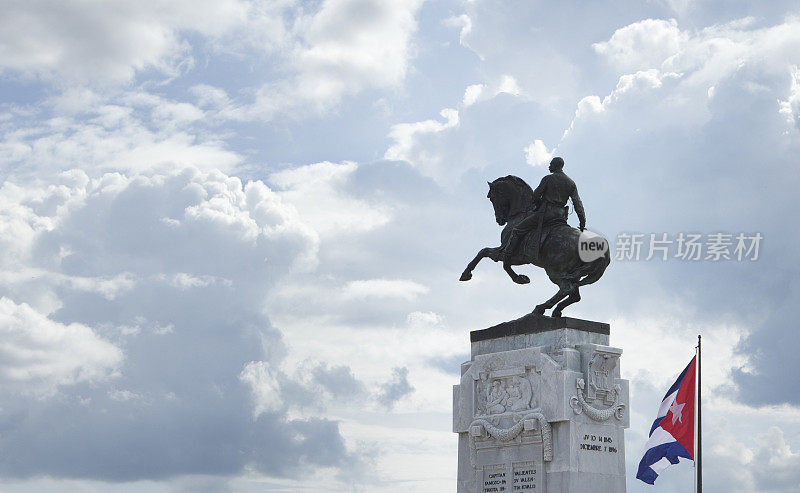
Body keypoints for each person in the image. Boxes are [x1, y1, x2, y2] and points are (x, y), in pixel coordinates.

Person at [501, 156, 586, 257]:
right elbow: (578, 204)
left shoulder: (548, 179)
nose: (549, 166)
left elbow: (535, 196)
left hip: (546, 214)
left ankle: (507, 255)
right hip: (561, 217)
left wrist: (538, 203)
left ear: (555, 165)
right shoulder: (571, 183)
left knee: (517, 230)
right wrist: (582, 222)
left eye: (551, 164)